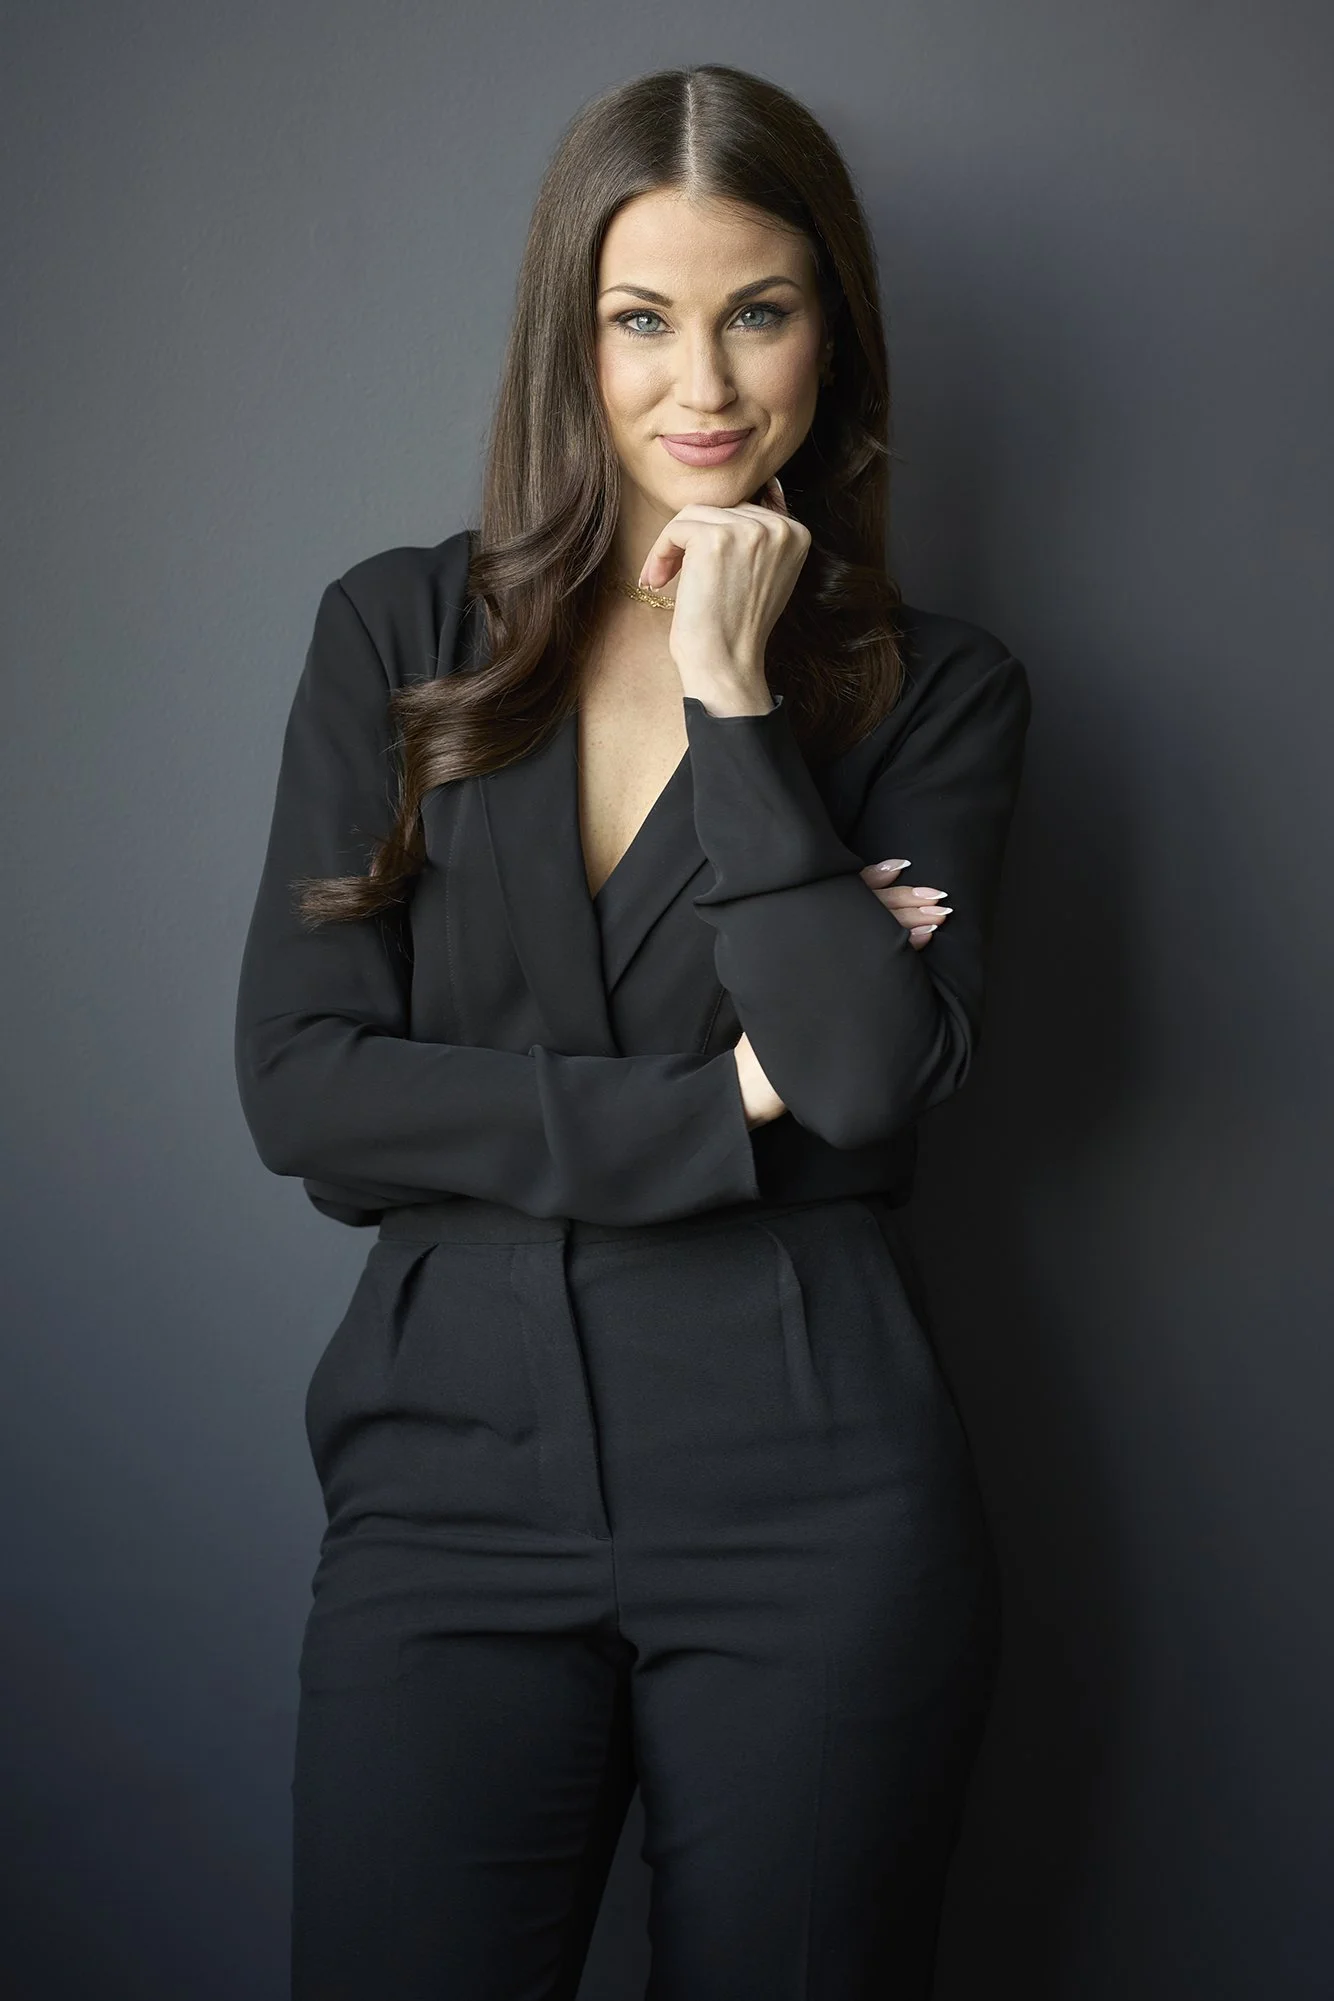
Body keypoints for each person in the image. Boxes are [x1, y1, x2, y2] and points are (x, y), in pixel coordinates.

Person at [234, 61, 1032, 2001]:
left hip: (811, 1495)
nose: (704, 383)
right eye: (641, 320)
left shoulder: (937, 692)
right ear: (568, 339)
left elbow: (852, 1081)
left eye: (758, 310)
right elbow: (307, 1092)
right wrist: (714, 1104)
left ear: (830, 333)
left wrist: (733, 701)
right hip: (446, 1484)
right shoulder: (395, 636)